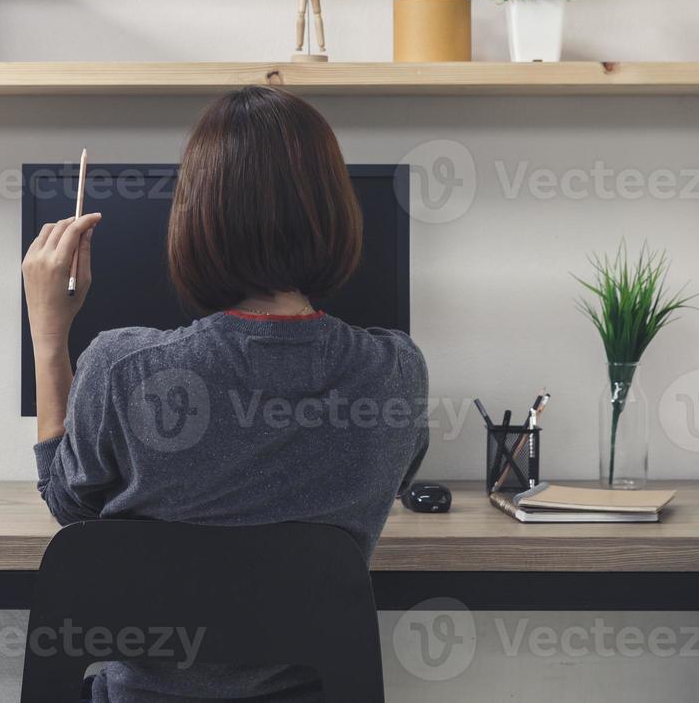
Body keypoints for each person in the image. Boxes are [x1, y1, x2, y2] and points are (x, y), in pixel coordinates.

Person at [22, 85, 430, 702]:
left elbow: (72, 515)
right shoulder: (395, 371)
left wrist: (50, 334)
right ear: (336, 212)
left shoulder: (121, 366)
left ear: (195, 219)